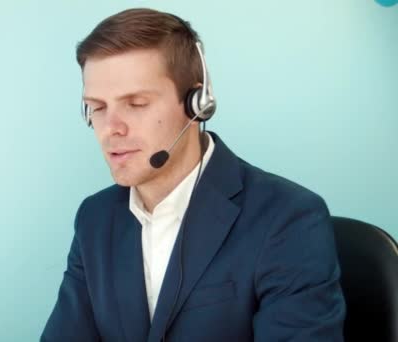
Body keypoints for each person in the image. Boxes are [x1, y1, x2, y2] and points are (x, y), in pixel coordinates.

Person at [42, 8, 345, 342]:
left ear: (197, 104)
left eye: (136, 103)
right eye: (97, 107)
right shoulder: (95, 220)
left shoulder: (288, 219)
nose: (111, 129)